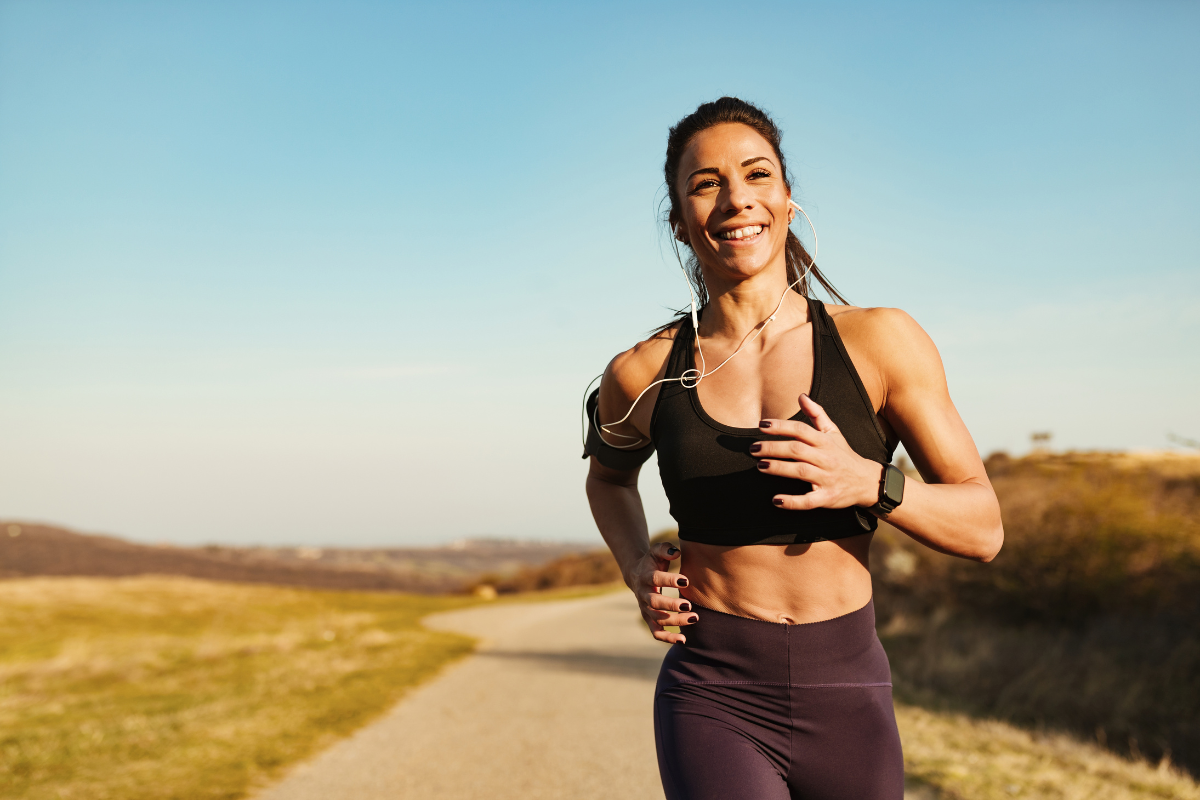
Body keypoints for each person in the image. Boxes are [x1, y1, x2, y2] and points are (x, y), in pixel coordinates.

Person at [583, 97, 1004, 800]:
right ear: (679, 221)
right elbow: (609, 480)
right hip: (711, 692)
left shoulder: (881, 342)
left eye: (757, 174)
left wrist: (870, 482)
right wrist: (634, 568)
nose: (736, 199)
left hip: (848, 694)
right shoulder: (641, 373)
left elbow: (984, 528)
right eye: (706, 184)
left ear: (786, 198)